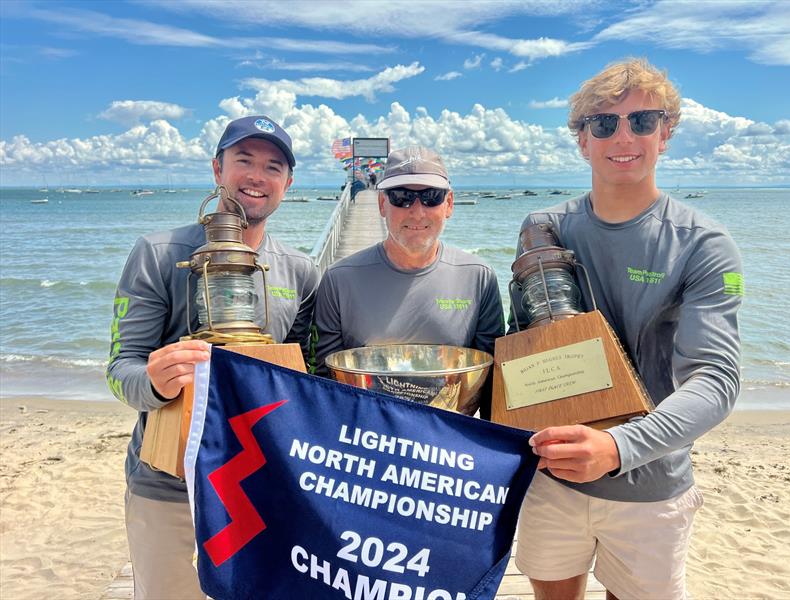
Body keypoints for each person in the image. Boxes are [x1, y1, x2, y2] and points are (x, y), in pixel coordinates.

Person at [511, 59, 742, 600]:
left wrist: (618, 447)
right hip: (553, 473)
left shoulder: (704, 244)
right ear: (581, 140)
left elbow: (716, 379)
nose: (623, 136)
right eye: (603, 123)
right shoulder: (545, 228)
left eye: (642, 121)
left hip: (650, 482)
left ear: (665, 134)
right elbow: (523, 347)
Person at [106, 115, 319, 599]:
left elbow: (311, 377)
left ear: (288, 182)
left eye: (273, 166)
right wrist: (157, 382)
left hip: (264, 480)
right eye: (243, 160)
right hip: (167, 481)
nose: (256, 176)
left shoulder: (302, 270)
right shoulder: (158, 254)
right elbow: (121, 370)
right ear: (217, 169)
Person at [314, 146, 504, 418]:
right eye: (402, 197)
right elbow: (323, 381)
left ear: (449, 204)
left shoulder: (479, 277)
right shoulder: (338, 279)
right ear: (382, 204)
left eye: (431, 197)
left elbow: (492, 386)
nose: (417, 211)